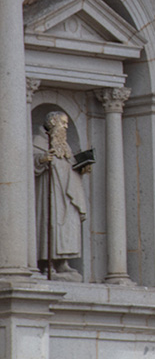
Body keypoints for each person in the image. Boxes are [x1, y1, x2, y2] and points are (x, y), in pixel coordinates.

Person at [34, 110, 88, 280]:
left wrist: (82, 167)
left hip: (67, 194)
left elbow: (70, 167)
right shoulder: (39, 142)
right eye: (63, 123)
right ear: (52, 124)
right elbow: (28, 161)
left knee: (67, 228)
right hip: (49, 192)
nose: (66, 126)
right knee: (50, 224)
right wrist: (42, 159)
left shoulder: (65, 147)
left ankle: (62, 262)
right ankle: (48, 263)